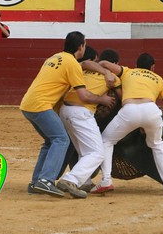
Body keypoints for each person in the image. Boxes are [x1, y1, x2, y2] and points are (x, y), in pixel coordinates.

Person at [20, 31, 116, 197]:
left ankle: (36, 182)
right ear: (81, 46)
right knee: (61, 139)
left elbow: (84, 65)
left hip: (27, 103)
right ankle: (45, 180)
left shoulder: (54, 57)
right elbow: (84, 96)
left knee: (50, 141)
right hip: (41, 105)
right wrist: (102, 99)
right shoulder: (71, 63)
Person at [97, 52, 163, 196]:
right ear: (152, 67)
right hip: (151, 111)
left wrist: (106, 73)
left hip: (129, 111)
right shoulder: (158, 79)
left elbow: (103, 63)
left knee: (106, 140)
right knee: (158, 145)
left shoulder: (127, 72)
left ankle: (106, 180)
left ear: (137, 65)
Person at [56, 48, 122, 198]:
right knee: (98, 153)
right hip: (81, 112)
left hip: (65, 110)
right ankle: (70, 179)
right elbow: (123, 99)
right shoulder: (113, 77)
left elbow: (85, 62)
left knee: (85, 151)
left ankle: (84, 182)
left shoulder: (85, 70)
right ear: (116, 64)